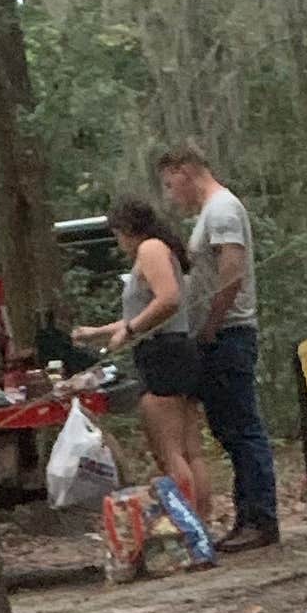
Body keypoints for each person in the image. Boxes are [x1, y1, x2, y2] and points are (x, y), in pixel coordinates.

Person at [155, 142, 277, 552]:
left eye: (172, 185)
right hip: (218, 333)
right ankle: (249, 515)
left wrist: (212, 324)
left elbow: (232, 271)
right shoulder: (210, 213)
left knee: (242, 429)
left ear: (186, 171)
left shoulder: (222, 209)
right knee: (228, 428)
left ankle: (261, 518)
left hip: (229, 333)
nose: (172, 196)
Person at [72, 194, 209, 526]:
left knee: (169, 451)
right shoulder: (160, 249)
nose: (118, 242)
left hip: (162, 354)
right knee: (190, 449)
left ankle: (187, 525)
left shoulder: (149, 249)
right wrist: (98, 332)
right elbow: (147, 312)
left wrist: (131, 330)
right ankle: (201, 523)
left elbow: (169, 300)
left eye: (116, 234)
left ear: (126, 229)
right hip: (174, 348)